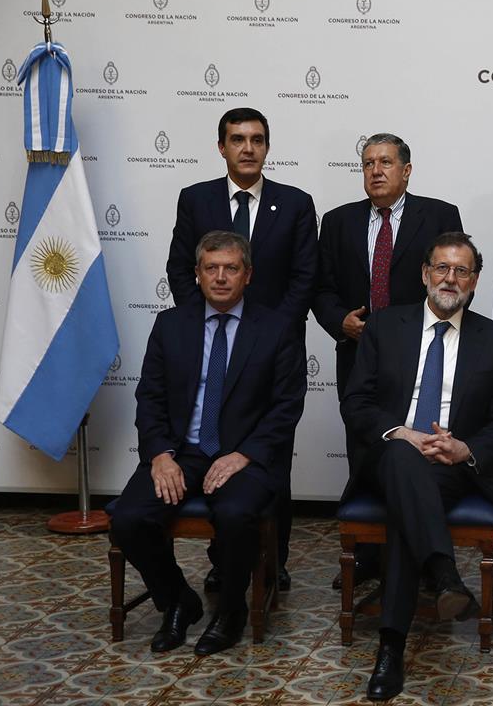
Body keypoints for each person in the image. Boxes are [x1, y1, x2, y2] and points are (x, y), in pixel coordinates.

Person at [341, 232, 493, 701]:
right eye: (442, 268)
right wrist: (399, 432)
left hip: (452, 465)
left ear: (475, 281)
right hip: (389, 453)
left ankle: (390, 649)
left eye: (461, 271)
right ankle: (444, 575)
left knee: (407, 506)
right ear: (424, 274)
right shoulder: (385, 326)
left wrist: (465, 449)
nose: (450, 278)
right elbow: (356, 402)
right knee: (403, 460)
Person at [110, 231, 305, 656]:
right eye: (210, 268)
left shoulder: (276, 329)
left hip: (244, 456)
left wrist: (245, 454)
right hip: (182, 451)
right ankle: (179, 600)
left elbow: (286, 407)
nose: (220, 277)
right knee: (127, 518)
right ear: (196, 274)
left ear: (248, 275)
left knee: (236, 514)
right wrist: (160, 455)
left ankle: (232, 611)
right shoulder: (170, 325)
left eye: (231, 268)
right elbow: (151, 398)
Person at [165, 107, 317, 592]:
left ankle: (276, 561)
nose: (247, 148)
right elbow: (179, 270)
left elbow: (303, 279)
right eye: (237, 139)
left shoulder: (294, 203)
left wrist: (265, 334)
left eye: (256, 139)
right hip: (211, 349)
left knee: (271, 459)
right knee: (212, 454)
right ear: (222, 147)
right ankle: (224, 560)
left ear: (267, 147)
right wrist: (205, 327)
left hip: (271, 356)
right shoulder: (196, 198)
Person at [313, 133, 462, 588]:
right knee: (366, 450)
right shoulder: (337, 221)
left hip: (417, 360)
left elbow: (449, 283)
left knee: (413, 449)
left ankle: (413, 551)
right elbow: (321, 288)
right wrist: (342, 321)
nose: (375, 171)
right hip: (358, 355)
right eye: (367, 163)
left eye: (385, 162)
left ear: (406, 170)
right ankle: (368, 556)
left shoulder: (438, 215)